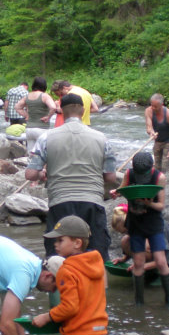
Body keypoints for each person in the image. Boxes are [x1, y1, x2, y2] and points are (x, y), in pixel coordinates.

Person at [25, 93, 117, 264]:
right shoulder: (102, 138)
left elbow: (30, 174)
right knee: (97, 259)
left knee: (56, 260)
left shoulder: (46, 137)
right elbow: (110, 177)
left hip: (60, 203)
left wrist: (42, 174)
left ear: (61, 112)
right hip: (92, 203)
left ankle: (59, 289)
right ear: (83, 111)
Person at [110, 151, 169, 308]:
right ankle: (139, 302)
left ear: (151, 168)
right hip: (135, 223)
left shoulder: (159, 177)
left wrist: (148, 203)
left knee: (160, 261)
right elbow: (122, 189)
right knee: (138, 262)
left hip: (153, 224)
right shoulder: (129, 174)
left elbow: (161, 205)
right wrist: (116, 193)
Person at [15, 76, 57, 150]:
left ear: (33, 85)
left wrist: (26, 115)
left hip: (29, 129)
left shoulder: (27, 96)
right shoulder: (45, 96)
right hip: (42, 128)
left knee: (31, 153)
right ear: (44, 86)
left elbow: (17, 107)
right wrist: (48, 117)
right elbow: (53, 107)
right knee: (43, 152)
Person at [144, 93, 169, 172]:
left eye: (155, 106)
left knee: (166, 167)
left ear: (161, 105)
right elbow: (149, 127)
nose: (153, 108)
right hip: (158, 141)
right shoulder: (148, 111)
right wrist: (151, 132)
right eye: (151, 105)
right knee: (157, 167)